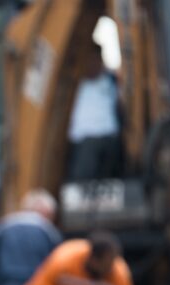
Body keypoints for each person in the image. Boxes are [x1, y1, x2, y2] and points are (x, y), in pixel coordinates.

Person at [66, 43, 123, 182]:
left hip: (110, 142)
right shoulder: (73, 85)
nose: (92, 64)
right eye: (88, 59)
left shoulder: (112, 81)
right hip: (83, 144)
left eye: (95, 59)